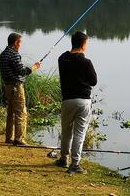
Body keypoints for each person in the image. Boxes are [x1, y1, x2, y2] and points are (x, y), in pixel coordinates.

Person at [55, 31, 97, 174]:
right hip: (83, 101)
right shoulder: (86, 62)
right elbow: (94, 81)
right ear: (83, 44)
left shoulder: (62, 59)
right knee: (79, 133)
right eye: (87, 43)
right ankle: (75, 164)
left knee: (66, 131)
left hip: (67, 100)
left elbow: (67, 55)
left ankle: (63, 159)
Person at [0, 33, 40, 146]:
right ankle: (19, 139)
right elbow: (21, 70)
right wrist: (33, 68)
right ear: (16, 42)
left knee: (11, 112)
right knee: (21, 112)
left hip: (8, 86)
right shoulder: (14, 54)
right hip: (16, 87)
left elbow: (15, 71)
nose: (21, 45)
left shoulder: (3, 54)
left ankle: (9, 137)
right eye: (20, 42)